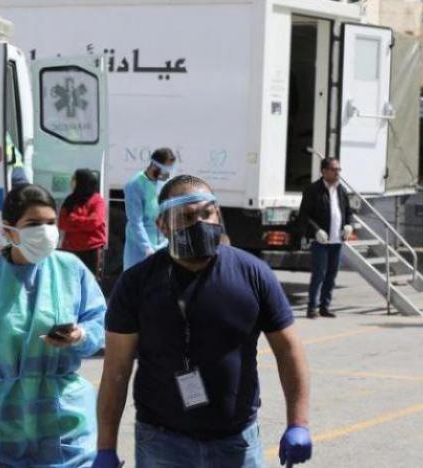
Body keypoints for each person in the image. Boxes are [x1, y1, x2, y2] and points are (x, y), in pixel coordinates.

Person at [94, 175, 312, 468]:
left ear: (218, 215)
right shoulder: (136, 283)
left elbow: (289, 350)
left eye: (207, 213)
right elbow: (116, 371)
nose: (199, 223)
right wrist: (105, 447)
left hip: (236, 442)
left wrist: (298, 423)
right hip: (162, 445)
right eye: (186, 217)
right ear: (162, 225)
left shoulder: (253, 274)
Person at [0, 184, 106, 467]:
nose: (45, 231)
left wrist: (80, 336)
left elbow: (99, 323)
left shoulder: (70, 270)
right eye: (33, 224)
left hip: (64, 425)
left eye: (50, 223)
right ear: (9, 230)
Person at [297, 157, 353, 319]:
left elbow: (348, 212)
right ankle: (312, 308)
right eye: (334, 169)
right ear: (324, 171)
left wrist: (348, 225)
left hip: (337, 240)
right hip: (321, 241)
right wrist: (316, 231)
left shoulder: (341, 190)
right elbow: (304, 216)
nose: (337, 173)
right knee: (319, 274)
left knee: (331, 275)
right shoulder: (313, 190)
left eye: (339, 169)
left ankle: (325, 307)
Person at [123, 147, 176, 270]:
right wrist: (147, 247)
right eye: (165, 170)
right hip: (140, 249)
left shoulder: (164, 183)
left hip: (161, 246)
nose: (167, 174)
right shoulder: (135, 185)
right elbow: (136, 221)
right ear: (154, 166)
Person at [59, 169, 107, 276]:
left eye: (74, 179)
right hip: (70, 249)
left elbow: (94, 222)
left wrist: (73, 220)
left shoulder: (97, 200)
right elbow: (62, 223)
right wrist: (84, 222)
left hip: (91, 250)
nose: (71, 182)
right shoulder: (69, 200)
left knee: (89, 281)